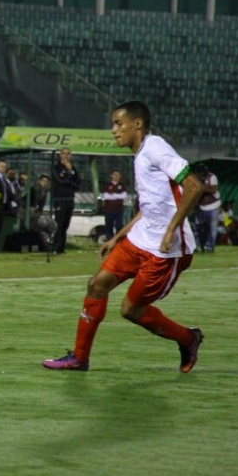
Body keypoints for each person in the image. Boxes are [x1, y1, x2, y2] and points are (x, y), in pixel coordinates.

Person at [43, 101, 204, 373]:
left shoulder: (155, 147)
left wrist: (169, 229)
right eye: (113, 124)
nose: (113, 130)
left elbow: (194, 186)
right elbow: (150, 207)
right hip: (140, 240)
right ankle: (79, 358)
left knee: (131, 310)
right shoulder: (140, 154)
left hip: (167, 250)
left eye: (118, 123)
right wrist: (119, 236)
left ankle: (188, 338)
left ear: (137, 124)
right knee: (96, 285)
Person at [51, 147, 81, 254]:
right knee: (59, 224)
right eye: (64, 153)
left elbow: (78, 183)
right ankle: (55, 247)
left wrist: (70, 173)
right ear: (60, 155)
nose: (66, 156)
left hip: (70, 199)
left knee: (65, 224)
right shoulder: (56, 168)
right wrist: (69, 173)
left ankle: (61, 248)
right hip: (60, 199)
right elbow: (60, 181)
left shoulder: (73, 167)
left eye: (68, 153)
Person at [193, 164, 220, 253]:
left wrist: (202, 188)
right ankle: (196, 246)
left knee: (212, 228)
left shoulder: (212, 177)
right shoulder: (194, 179)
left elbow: (213, 189)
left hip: (213, 206)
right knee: (197, 228)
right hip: (200, 207)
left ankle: (209, 247)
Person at [102, 169, 128, 242]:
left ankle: (118, 241)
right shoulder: (108, 185)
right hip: (109, 209)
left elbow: (124, 196)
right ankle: (110, 240)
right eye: (115, 174)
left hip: (119, 209)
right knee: (109, 226)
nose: (116, 176)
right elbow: (106, 196)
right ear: (111, 175)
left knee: (119, 226)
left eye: (118, 175)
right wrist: (118, 196)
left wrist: (113, 195)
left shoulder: (122, 185)